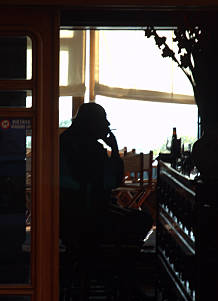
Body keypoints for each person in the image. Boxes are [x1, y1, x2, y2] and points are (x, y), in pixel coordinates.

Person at [59, 102, 152, 251]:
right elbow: (113, 181)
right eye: (103, 119)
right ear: (91, 123)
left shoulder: (65, 140)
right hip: (89, 217)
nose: (107, 123)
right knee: (143, 220)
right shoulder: (90, 148)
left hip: (68, 216)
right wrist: (114, 148)